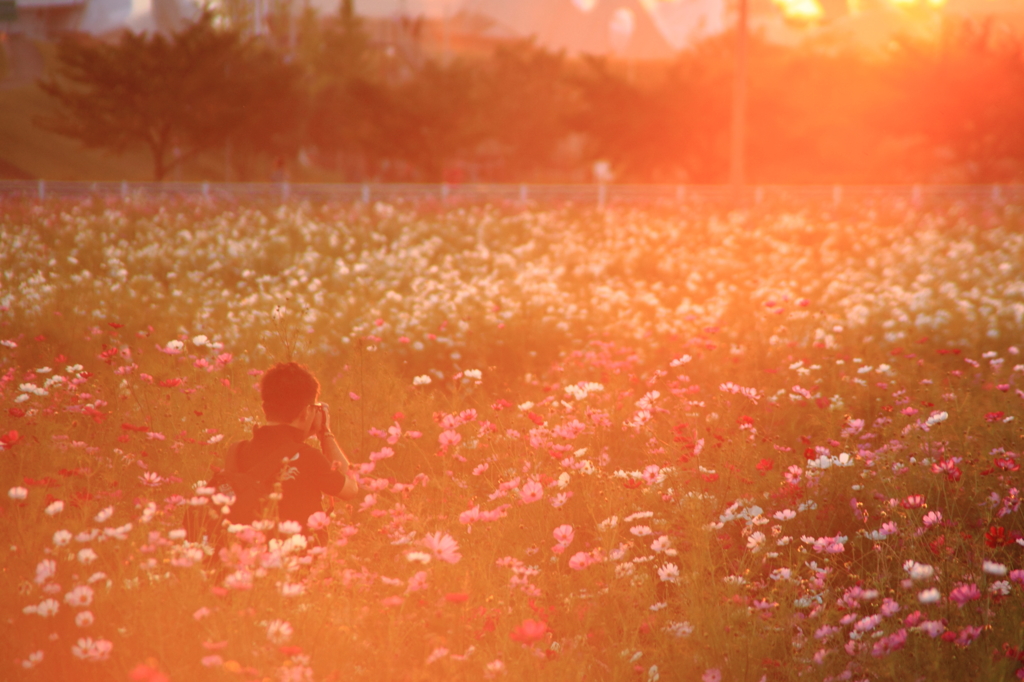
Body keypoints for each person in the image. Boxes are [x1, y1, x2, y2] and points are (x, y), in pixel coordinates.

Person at [225, 362, 358, 526]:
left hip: (247, 548)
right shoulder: (309, 458)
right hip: (298, 549)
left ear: (265, 407)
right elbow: (351, 488)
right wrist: (325, 432)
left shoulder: (236, 451)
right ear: (306, 412)